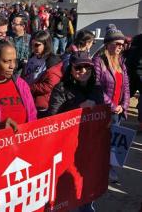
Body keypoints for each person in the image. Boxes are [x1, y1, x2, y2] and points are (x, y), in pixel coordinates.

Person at [47, 51, 103, 212]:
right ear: (70, 69)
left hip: (90, 145)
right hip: (67, 146)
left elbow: (103, 116)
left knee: (86, 187)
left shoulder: (97, 89)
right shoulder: (61, 88)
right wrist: (77, 109)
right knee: (66, 190)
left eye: (87, 67)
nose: (83, 71)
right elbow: (53, 118)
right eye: (79, 67)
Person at [93, 24, 130, 183]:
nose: (120, 47)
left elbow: (126, 86)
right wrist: (113, 106)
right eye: (117, 44)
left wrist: (124, 105)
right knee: (101, 142)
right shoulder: (98, 61)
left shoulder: (121, 62)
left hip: (118, 112)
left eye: (122, 45)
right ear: (108, 44)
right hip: (104, 110)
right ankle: (98, 170)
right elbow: (96, 87)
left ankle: (110, 169)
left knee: (113, 143)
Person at [23, 30, 64, 118]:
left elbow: (50, 85)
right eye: (32, 45)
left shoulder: (52, 61)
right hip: (28, 100)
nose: (34, 48)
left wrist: (28, 88)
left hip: (42, 104)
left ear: (46, 44)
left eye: (37, 45)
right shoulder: (32, 57)